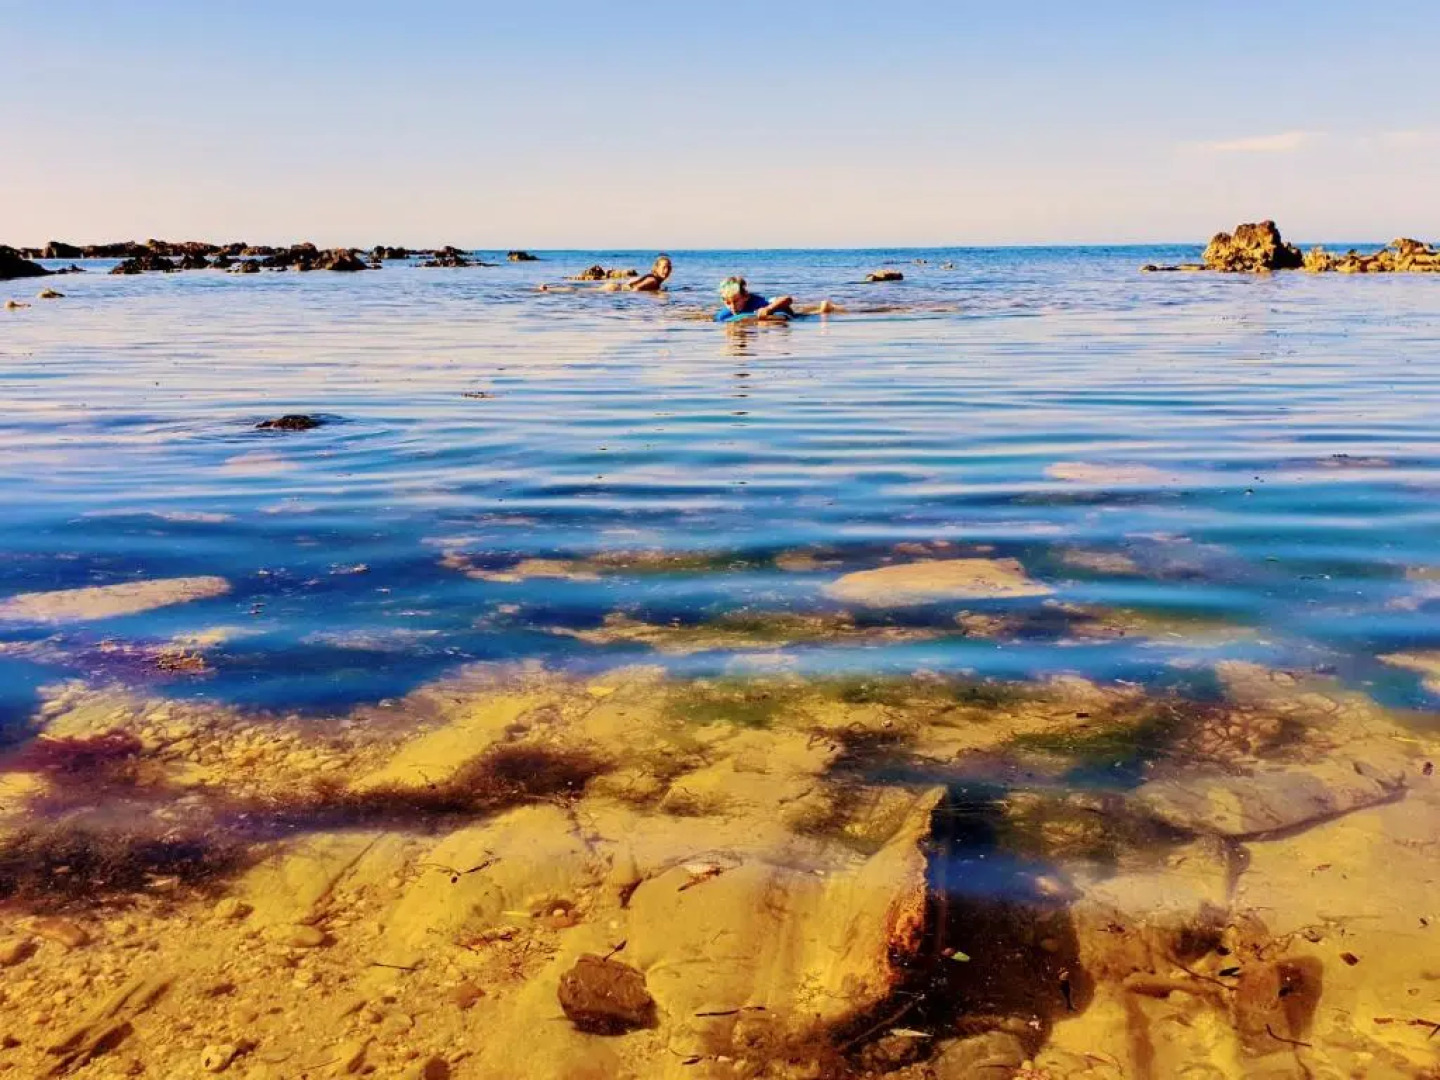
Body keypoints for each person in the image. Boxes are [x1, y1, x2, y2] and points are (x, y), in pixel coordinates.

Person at [714, 276, 839, 322]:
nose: (731, 306)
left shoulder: (758, 302)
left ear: (746, 296)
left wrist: (768, 309)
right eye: (727, 302)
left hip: (782, 312)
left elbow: (787, 299)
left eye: (735, 301)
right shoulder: (725, 315)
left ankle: (824, 310)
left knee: (802, 316)